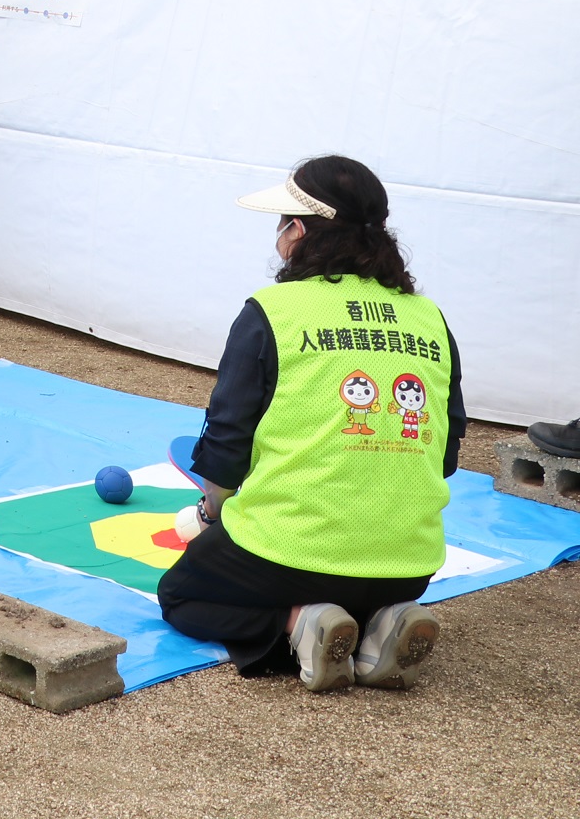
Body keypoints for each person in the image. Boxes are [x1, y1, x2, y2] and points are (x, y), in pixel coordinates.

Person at [156, 157, 465, 691]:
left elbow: (229, 442)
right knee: (351, 575)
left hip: (289, 556)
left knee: (183, 594)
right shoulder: (428, 317)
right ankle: (379, 622)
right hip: (409, 565)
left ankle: (300, 625)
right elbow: (446, 452)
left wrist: (210, 513)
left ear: (297, 232)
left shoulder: (272, 310)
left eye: (281, 222)